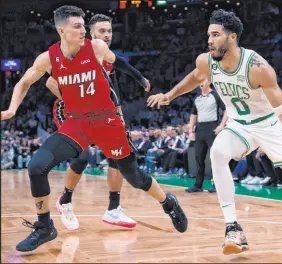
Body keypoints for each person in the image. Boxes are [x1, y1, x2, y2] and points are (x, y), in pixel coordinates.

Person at [147, 9, 282, 255]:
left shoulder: (258, 67)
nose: (209, 40)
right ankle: (232, 227)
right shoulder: (207, 61)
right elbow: (195, 76)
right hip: (239, 124)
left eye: (215, 35)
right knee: (218, 153)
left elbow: (281, 107)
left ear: (232, 37)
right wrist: (169, 95)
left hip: (269, 126)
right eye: (208, 35)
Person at [1, 5, 187, 252]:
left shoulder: (96, 48)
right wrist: (13, 109)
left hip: (107, 121)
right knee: (36, 166)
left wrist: (140, 78)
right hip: (76, 123)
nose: (83, 31)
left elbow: (118, 61)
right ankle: (45, 226)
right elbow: (24, 83)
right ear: (61, 30)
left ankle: (168, 203)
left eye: (83, 25)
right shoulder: (49, 58)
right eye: (77, 27)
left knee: (134, 177)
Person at [47, 14, 142, 231]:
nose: (106, 35)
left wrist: (120, 120)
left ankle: (114, 209)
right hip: (71, 111)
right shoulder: (74, 50)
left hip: (101, 113)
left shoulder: (107, 58)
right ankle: (65, 201)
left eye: (109, 31)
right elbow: (50, 81)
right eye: (101, 31)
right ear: (91, 34)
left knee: (117, 156)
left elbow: (112, 92)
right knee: (81, 156)